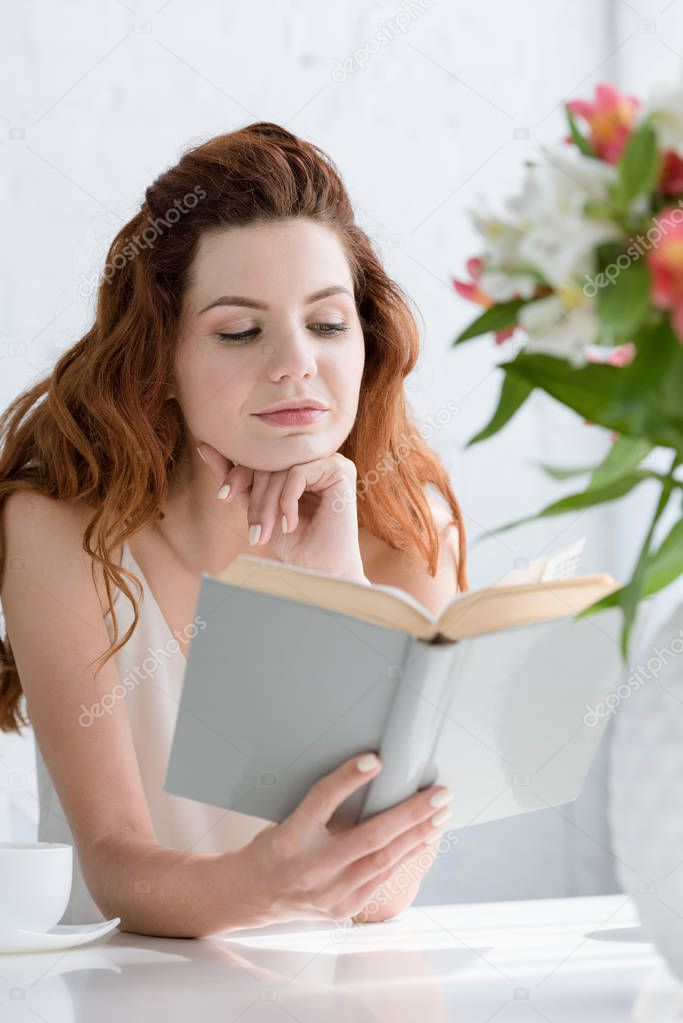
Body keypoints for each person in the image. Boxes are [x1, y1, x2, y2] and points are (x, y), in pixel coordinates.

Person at [0, 122, 468, 939]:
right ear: (161, 359)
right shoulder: (58, 529)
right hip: (119, 992)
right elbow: (113, 864)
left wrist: (331, 597)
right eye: (239, 331)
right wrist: (262, 882)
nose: (295, 363)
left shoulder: (409, 529)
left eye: (326, 324)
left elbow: (386, 888)